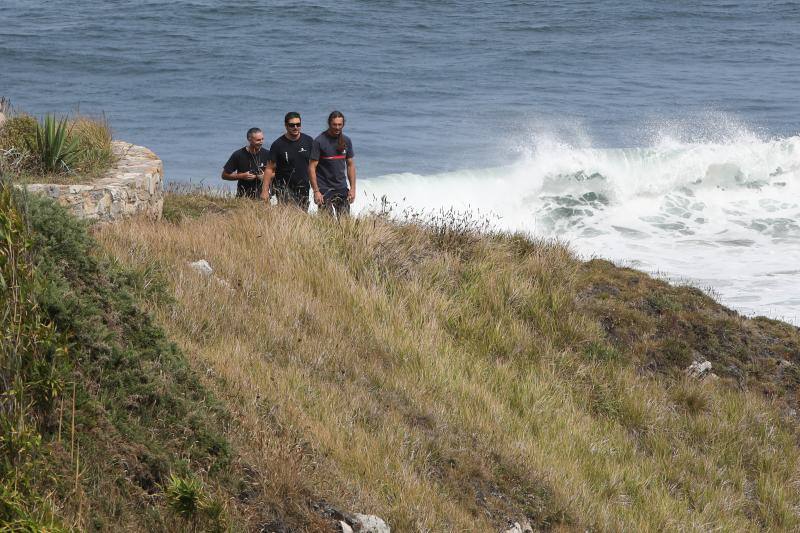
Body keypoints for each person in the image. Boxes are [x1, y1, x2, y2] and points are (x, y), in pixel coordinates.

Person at [261, 112, 314, 210]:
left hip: (303, 186)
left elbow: (314, 165)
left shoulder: (309, 141)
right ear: (286, 126)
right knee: (287, 214)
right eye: (292, 125)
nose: (295, 127)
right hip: (284, 186)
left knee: (302, 215)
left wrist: (317, 188)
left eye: (298, 124)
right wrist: (265, 190)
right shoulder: (278, 144)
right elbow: (269, 168)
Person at [309, 111, 356, 216]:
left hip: (341, 187)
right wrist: (316, 191)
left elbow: (350, 165)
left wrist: (352, 189)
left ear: (343, 124)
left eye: (340, 125)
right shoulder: (319, 141)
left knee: (344, 222)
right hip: (324, 189)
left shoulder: (346, 141)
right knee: (327, 224)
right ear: (329, 124)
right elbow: (312, 167)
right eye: (334, 124)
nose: (337, 127)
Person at [221, 127, 270, 198]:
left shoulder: (267, 154)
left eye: (262, 139)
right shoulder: (238, 154)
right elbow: (224, 175)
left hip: (263, 197)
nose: (261, 142)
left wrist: (265, 176)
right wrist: (242, 176)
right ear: (249, 139)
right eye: (258, 140)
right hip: (243, 197)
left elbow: (277, 173)